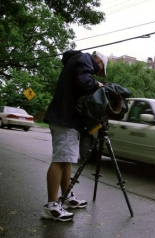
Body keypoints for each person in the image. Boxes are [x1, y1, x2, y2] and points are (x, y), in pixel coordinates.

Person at [41, 50, 108, 221]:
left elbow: (80, 84)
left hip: (67, 119)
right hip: (65, 118)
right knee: (60, 159)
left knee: (67, 159)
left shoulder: (78, 61)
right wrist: (97, 84)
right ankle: (51, 206)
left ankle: (67, 196)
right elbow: (84, 81)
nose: (96, 73)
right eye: (99, 70)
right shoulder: (84, 59)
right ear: (99, 61)